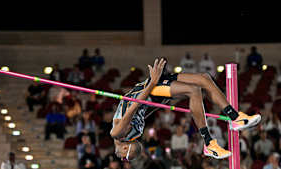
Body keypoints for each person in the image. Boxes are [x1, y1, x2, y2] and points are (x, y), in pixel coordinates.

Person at [111, 58, 261, 161]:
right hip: (152, 91)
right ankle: (209, 143)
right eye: (125, 158)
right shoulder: (132, 135)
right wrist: (159, 97)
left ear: (125, 147)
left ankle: (234, 117)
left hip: (149, 89)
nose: (120, 157)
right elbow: (141, 110)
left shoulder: (117, 133)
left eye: (124, 157)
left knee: (204, 78)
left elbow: (134, 105)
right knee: (194, 90)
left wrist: (153, 84)